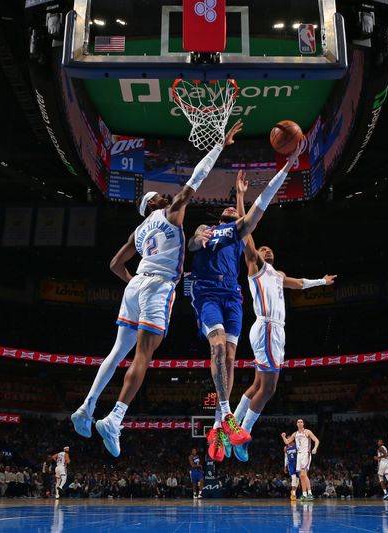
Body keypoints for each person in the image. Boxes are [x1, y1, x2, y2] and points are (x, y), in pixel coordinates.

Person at [70, 120, 244, 457]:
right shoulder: (170, 212)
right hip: (157, 287)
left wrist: (133, 283)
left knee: (117, 351)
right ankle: (114, 418)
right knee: (142, 355)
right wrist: (220, 145)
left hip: (134, 285)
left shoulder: (138, 232)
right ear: (153, 204)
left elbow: (114, 265)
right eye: (158, 196)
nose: (163, 195)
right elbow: (198, 176)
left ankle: (86, 408)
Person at [189, 144, 303, 462]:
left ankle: (224, 429)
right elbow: (196, 240)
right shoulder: (211, 230)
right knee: (239, 367)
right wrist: (201, 238)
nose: (230, 213)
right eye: (228, 211)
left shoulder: (244, 244)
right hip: (222, 300)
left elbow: (249, 223)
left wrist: (318, 282)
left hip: (234, 300)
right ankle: (228, 426)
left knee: (242, 371)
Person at [231, 171, 336, 461]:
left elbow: (299, 283)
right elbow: (246, 231)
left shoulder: (278, 275)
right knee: (269, 388)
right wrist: (240, 197)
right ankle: (242, 437)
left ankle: (232, 428)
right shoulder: (255, 266)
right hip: (265, 327)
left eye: (271, 249)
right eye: (264, 248)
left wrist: (321, 282)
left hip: (275, 331)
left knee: (256, 386)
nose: (268, 250)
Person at [281, 419, 319, 501]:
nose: (300, 423)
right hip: (299, 455)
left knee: (303, 474)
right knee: (301, 476)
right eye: (298, 422)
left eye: (301, 422)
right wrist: (283, 437)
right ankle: (304, 494)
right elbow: (287, 442)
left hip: (306, 453)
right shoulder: (295, 434)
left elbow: (316, 440)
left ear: (303, 423)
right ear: (296, 424)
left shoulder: (308, 432)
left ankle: (310, 493)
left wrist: (315, 448)